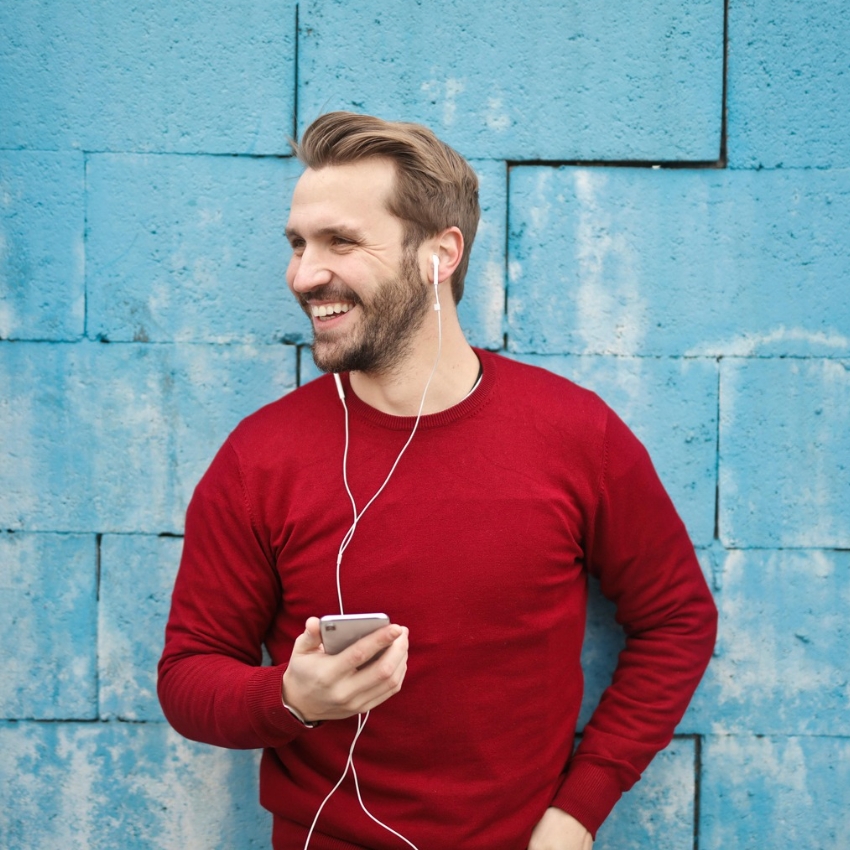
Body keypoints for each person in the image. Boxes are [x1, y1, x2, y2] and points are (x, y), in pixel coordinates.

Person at [158, 112, 717, 850]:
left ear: (439, 254)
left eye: (341, 242)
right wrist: (288, 698)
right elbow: (189, 675)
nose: (303, 275)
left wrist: (579, 810)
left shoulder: (574, 434)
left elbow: (677, 619)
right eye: (297, 244)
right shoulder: (259, 459)